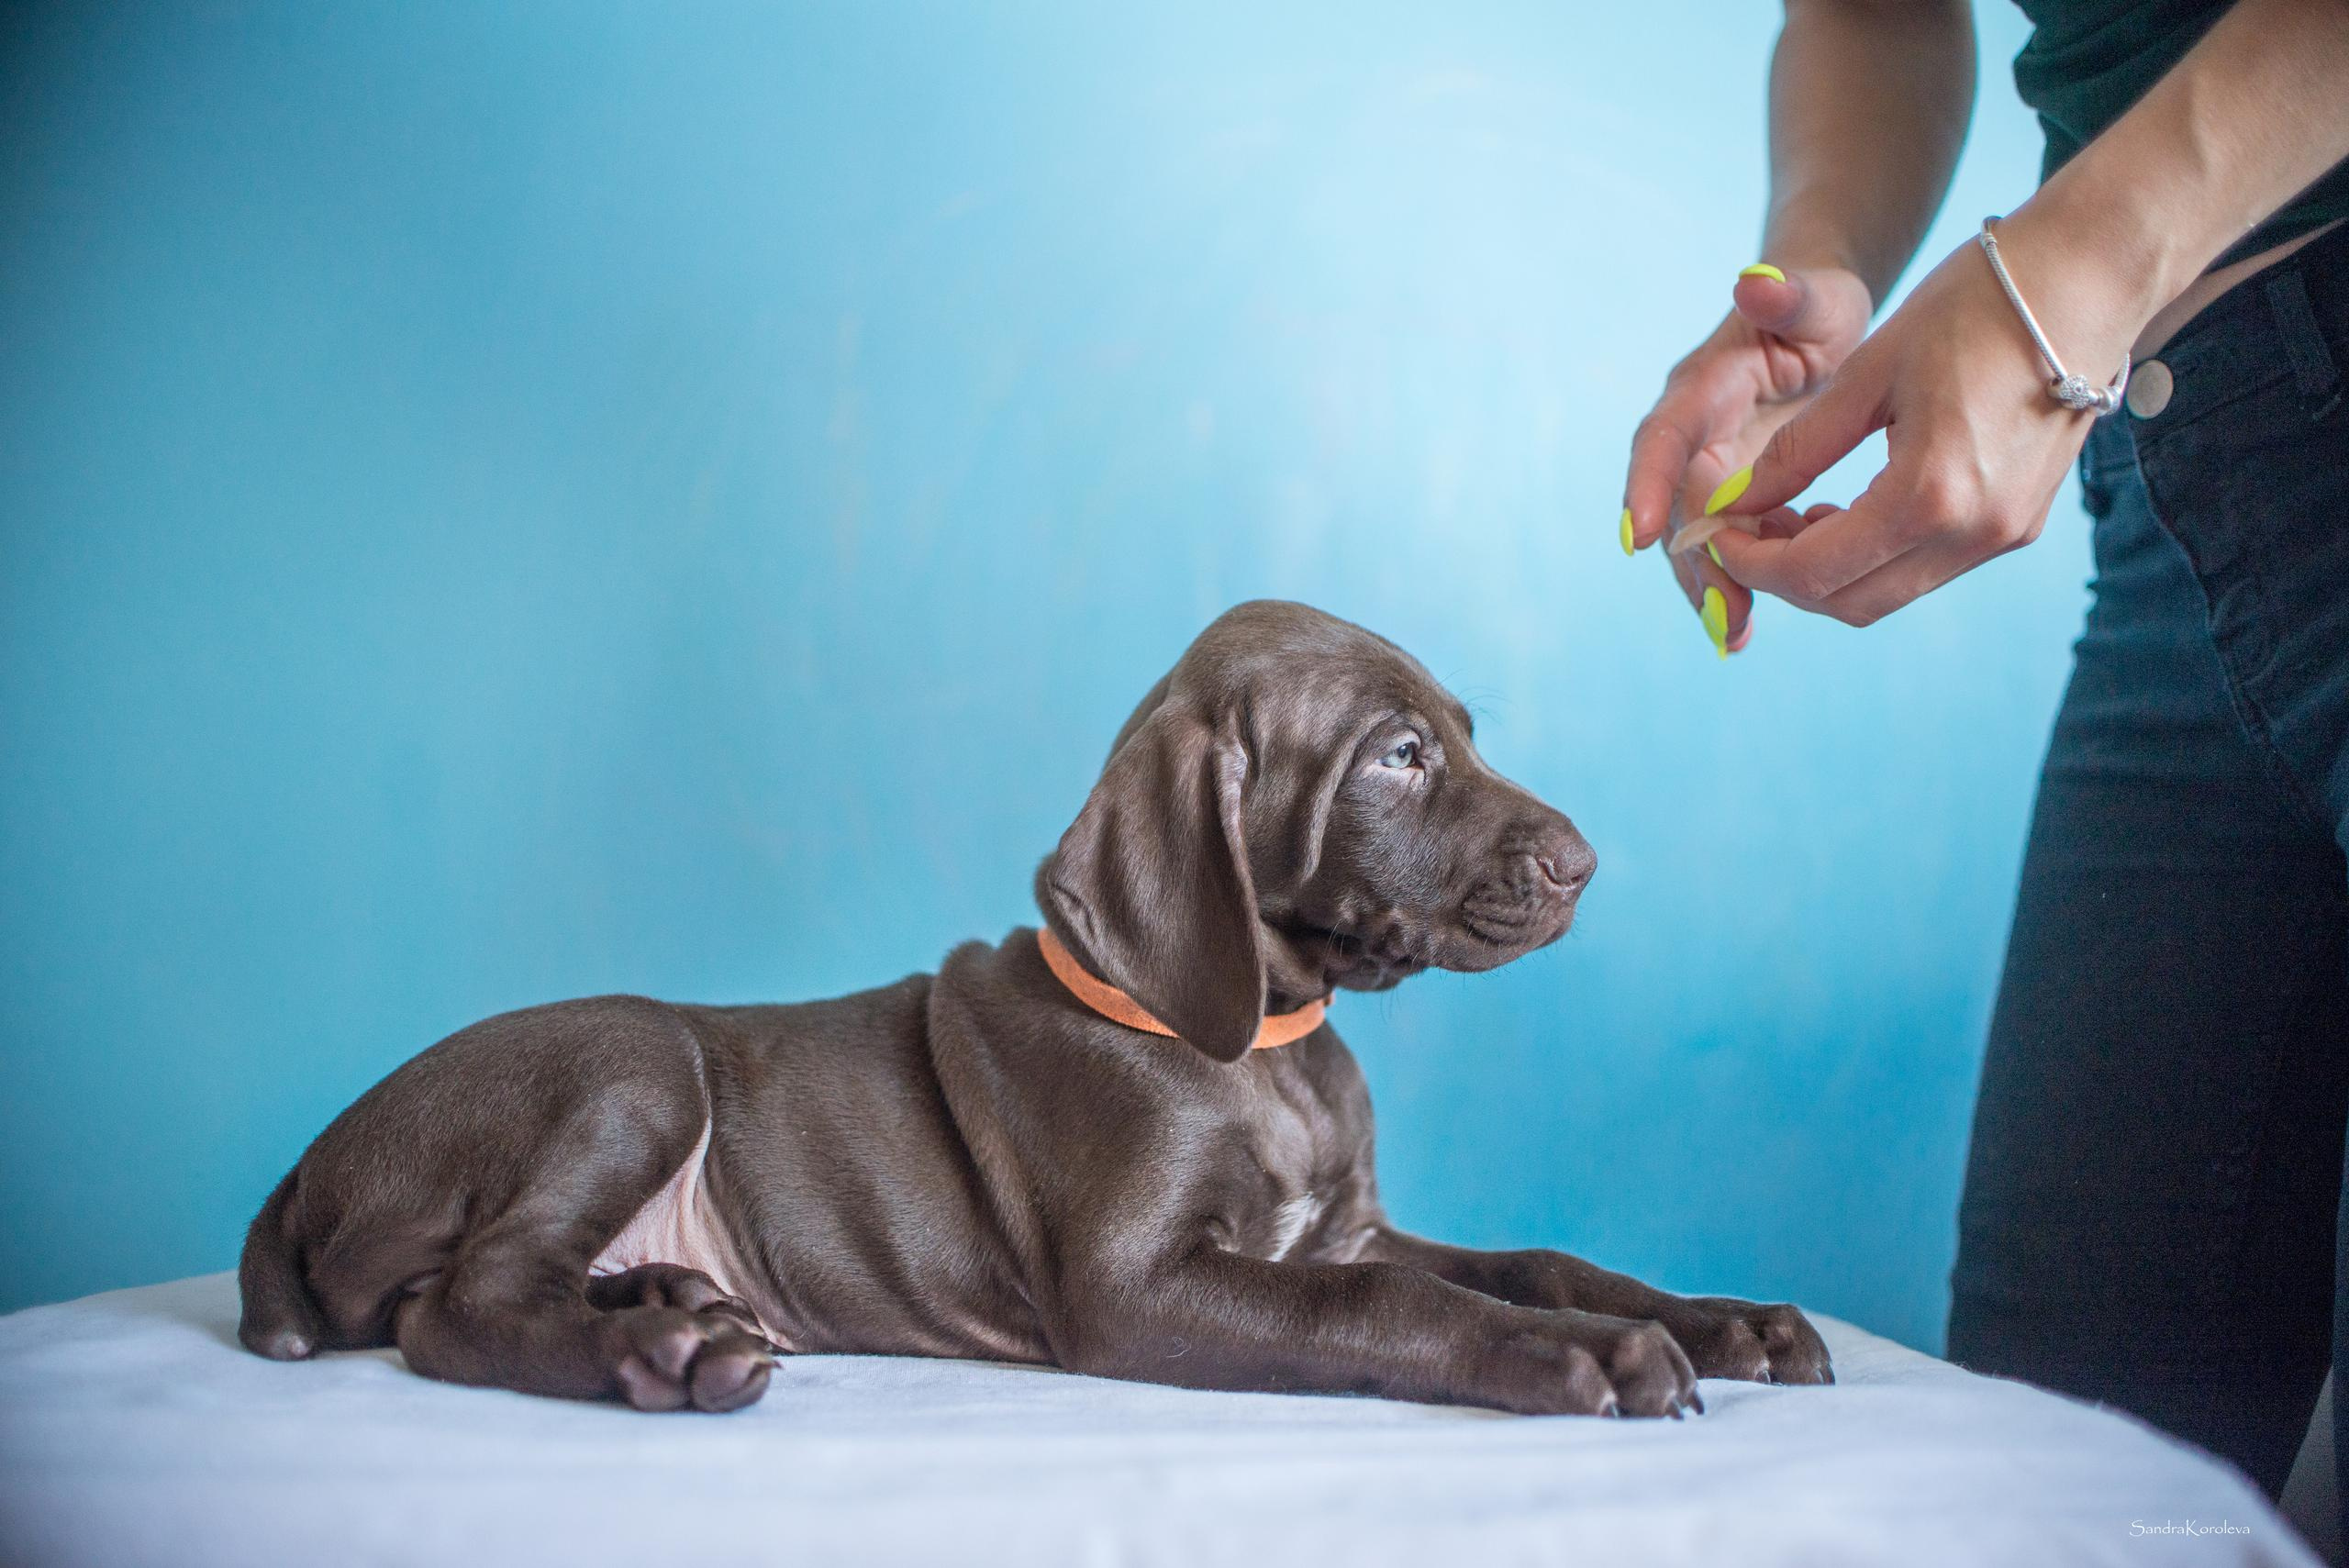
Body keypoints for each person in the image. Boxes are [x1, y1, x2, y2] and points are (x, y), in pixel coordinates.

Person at [1619, 0, 2349, 1524]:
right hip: (2183, 485)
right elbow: (1874, 17)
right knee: (2043, 1468)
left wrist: (2070, 265)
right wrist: (1815, 269)